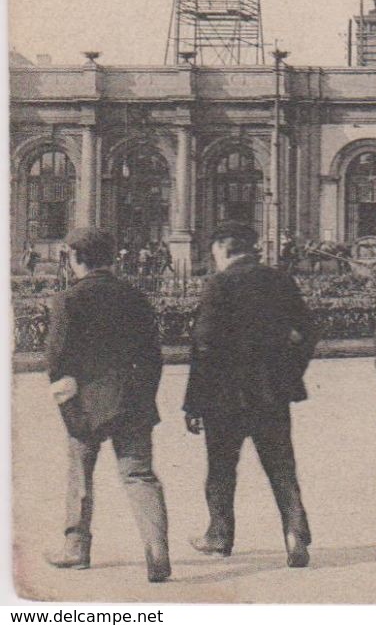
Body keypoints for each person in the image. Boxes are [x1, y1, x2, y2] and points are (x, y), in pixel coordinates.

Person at [183, 220, 317, 568]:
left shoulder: (220, 284)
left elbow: (204, 346)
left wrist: (194, 403)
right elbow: (307, 332)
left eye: (214, 247)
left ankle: (219, 536)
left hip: (225, 398)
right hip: (271, 394)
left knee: (221, 469)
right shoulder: (279, 280)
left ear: (224, 247)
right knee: (281, 467)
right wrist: (289, 374)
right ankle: (295, 532)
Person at [44, 226, 171, 582]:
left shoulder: (69, 299)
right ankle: (157, 552)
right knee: (139, 476)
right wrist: (143, 396)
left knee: (80, 476)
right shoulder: (135, 296)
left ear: (75, 258)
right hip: (132, 400)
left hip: (86, 404)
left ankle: (76, 550)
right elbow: (153, 355)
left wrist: (68, 407)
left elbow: (56, 362)